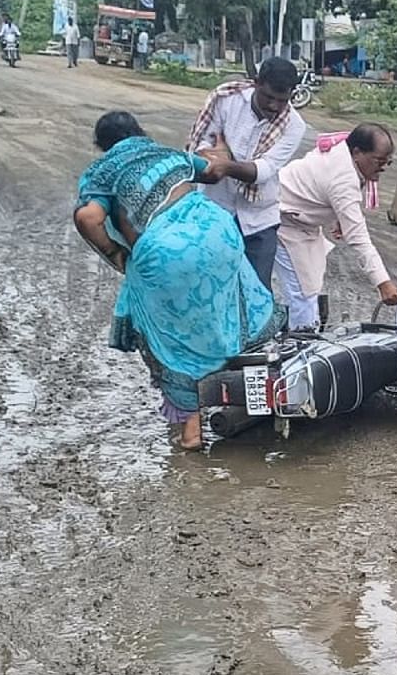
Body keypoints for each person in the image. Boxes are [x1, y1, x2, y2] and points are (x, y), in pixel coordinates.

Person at [73, 111, 284, 451]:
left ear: (101, 146)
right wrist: (223, 150)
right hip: (218, 231)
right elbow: (213, 170)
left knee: (175, 339)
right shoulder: (165, 153)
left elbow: (89, 217)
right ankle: (247, 394)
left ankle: (191, 430)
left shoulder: (101, 172)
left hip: (166, 252)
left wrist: (115, 253)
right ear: (140, 133)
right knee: (227, 312)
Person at [186, 58, 306, 288]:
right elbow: (199, 145)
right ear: (256, 83)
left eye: (282, 101)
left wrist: (226, 163)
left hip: (258, 219)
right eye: (268, 97)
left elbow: (264, 170)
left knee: (255, 292)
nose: (274, 106)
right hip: (213, 209)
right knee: (204, 284)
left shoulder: (294, 125)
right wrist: (212, 159)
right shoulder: (224, 99)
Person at [274, 124, 397, 329]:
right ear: (357, 153)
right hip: (283, 222)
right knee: (303, 295)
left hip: (302, 220)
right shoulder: (343, 179)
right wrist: (383, 283)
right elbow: (359, 238)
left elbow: (321, 187)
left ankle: (300, 330)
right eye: (379, 161)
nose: (384, 167)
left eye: (388, 162)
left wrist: (337, 218)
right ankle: (301, 344)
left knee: (311, 287)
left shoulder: (343, 150)